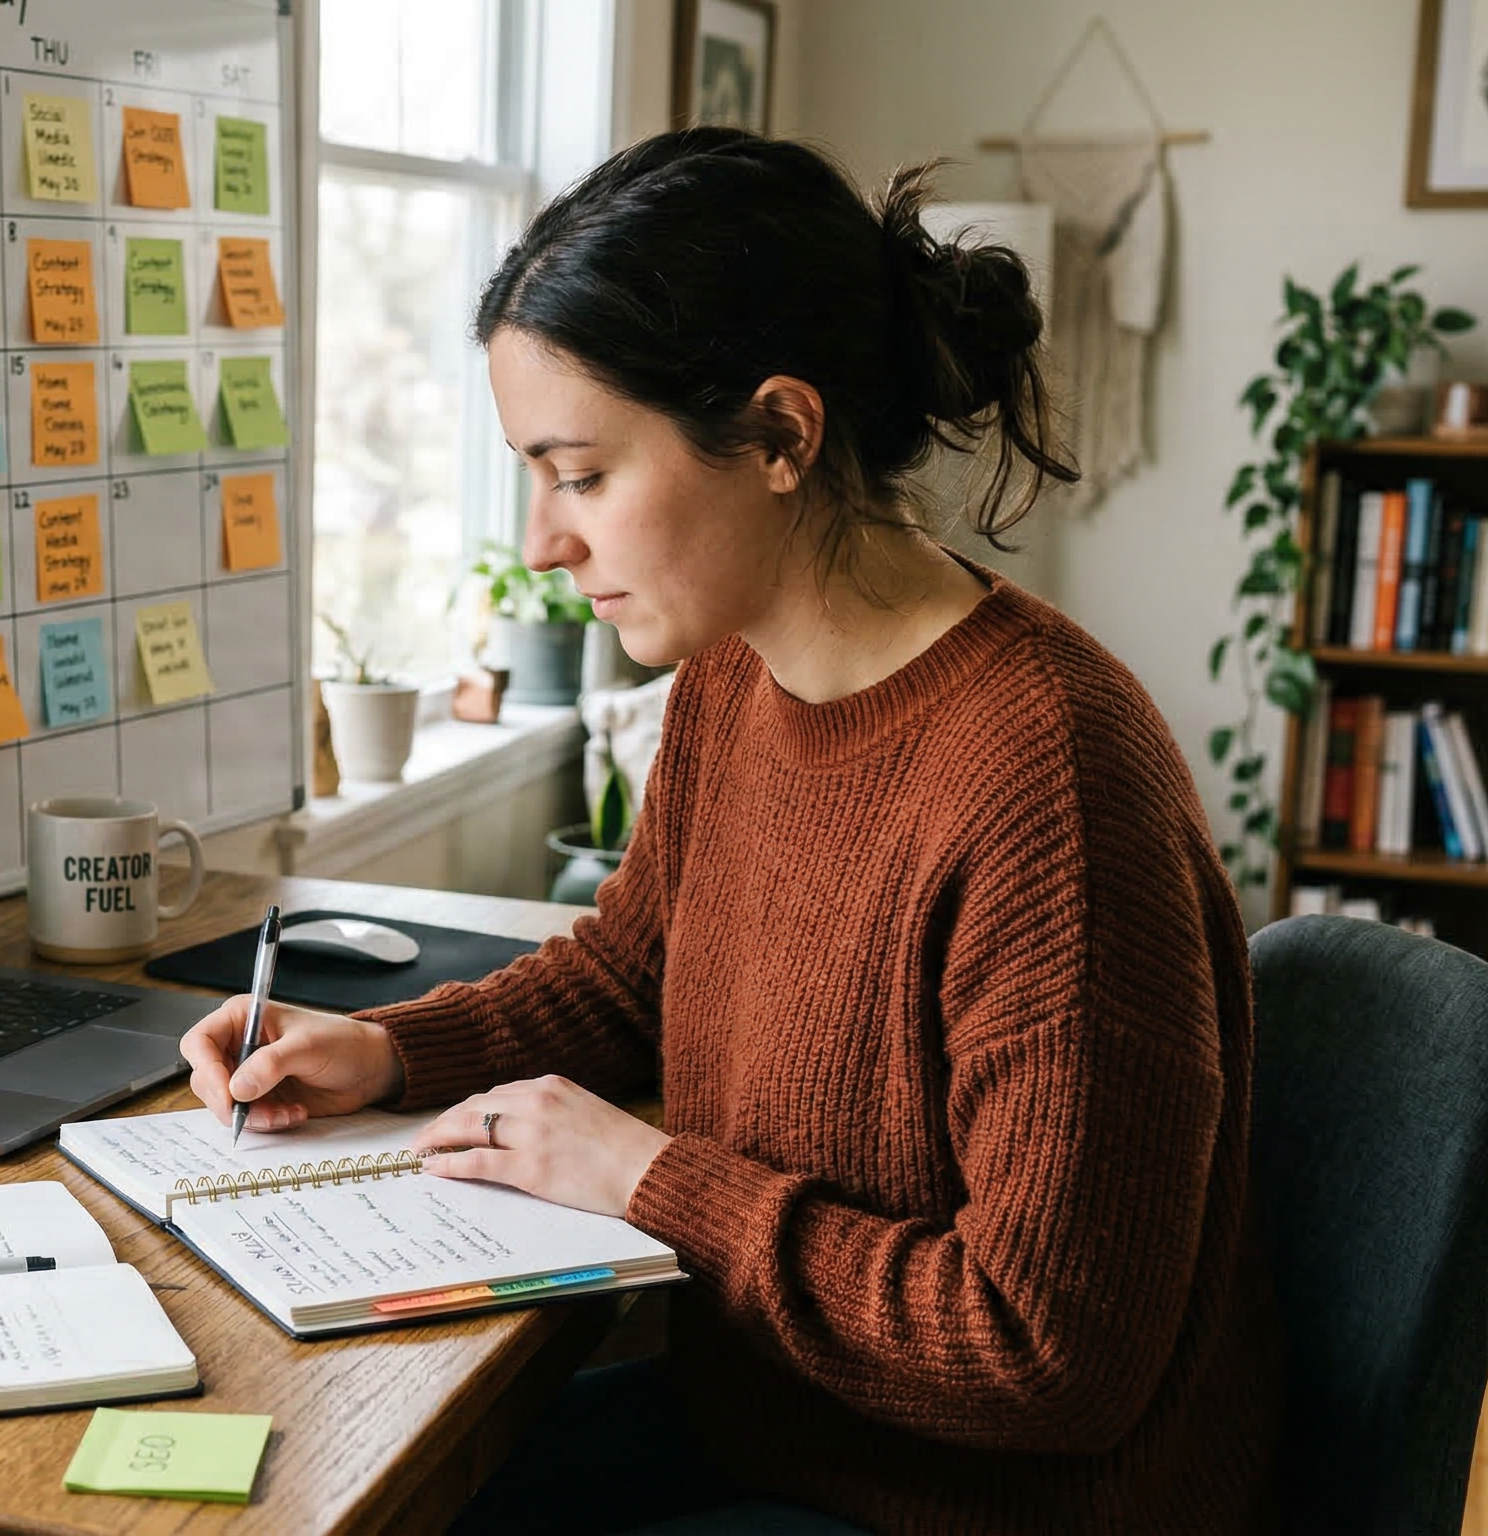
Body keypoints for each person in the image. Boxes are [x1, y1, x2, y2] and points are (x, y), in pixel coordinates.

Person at [181, 128, 1283, 1534]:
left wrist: (652, 1181)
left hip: (974, 1504)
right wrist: (396, 1052)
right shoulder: (733, 673)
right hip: (779, 1432)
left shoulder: (1049, 785)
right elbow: (635, 977)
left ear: (779, 435)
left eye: (580, 474)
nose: (544, 540)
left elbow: (1044, 1359)